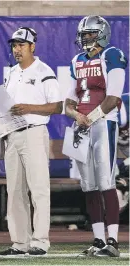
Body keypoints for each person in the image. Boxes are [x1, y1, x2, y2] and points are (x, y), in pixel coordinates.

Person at [65, 15, 128, 257]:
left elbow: (113, 98)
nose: (85, 38)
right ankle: (99, 240)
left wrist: (88, 118)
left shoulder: (112, 55)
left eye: (89, 34)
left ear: (101, 33)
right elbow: (69, 101)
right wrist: (75, 115)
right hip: (82, 127)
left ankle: (113, 241)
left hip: (103, 123)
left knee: (105, 181)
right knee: (88, 185)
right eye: (84, 34)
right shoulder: (76, 60)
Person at [0, 27, 62, 256]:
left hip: (34, 132)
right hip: (13, 135)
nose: (17, 49)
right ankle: (19, 242)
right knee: (15, 191)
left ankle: (40, 241)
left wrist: (29, 108)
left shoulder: (44, 70)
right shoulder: (12, 72)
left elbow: (58, 106)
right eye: (14, 45)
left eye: (21, 45)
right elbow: (6, 106)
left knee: (38, 190)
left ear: (32, 46)